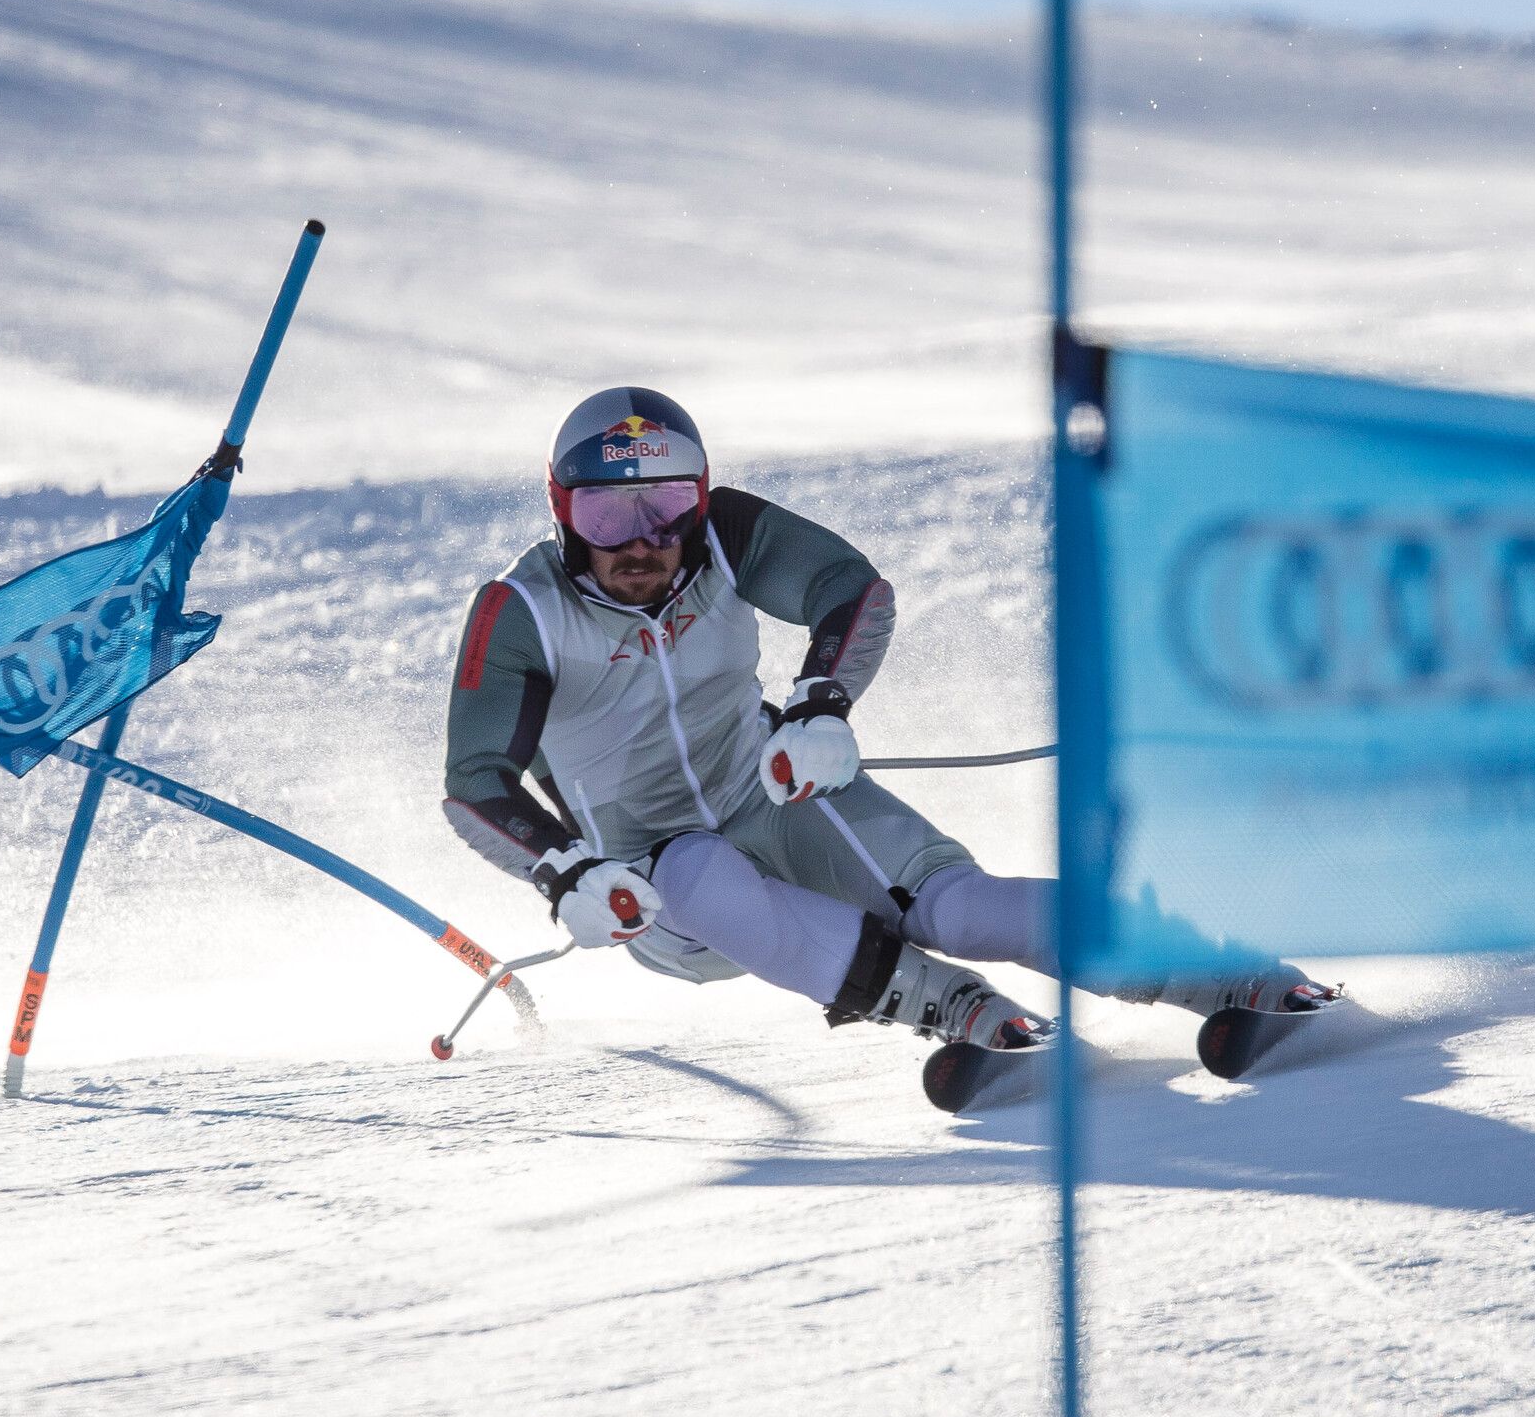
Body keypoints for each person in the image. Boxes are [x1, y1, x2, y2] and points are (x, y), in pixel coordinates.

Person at [442, 384, 1326, 1066]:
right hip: (652, 884)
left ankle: (1220, 971)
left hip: (769, 793)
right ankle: (946, 1005)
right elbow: (475, 779)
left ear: (700, 500)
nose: (640, 542)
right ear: (563, 513)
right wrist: (565, 873)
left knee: (961, 907)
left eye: (665, 506)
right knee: (696, 863)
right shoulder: (523, 610)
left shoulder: (723, 536)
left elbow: (851, 590)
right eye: (605, 513)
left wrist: (821, 702)